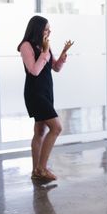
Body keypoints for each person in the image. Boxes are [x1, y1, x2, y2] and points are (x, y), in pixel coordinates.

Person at [18, 15, 73, 182]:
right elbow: (34, 70)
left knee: (40, 131)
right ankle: (42, 168)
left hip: (47, 92)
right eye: (47, 28)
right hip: (35, 94)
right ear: (37, 29)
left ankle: (36, 170)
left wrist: (63, 54)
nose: (50, 31)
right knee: (56, 128)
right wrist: (44, 51)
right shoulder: (26, 46)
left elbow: (55, 68)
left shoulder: (45, 45)